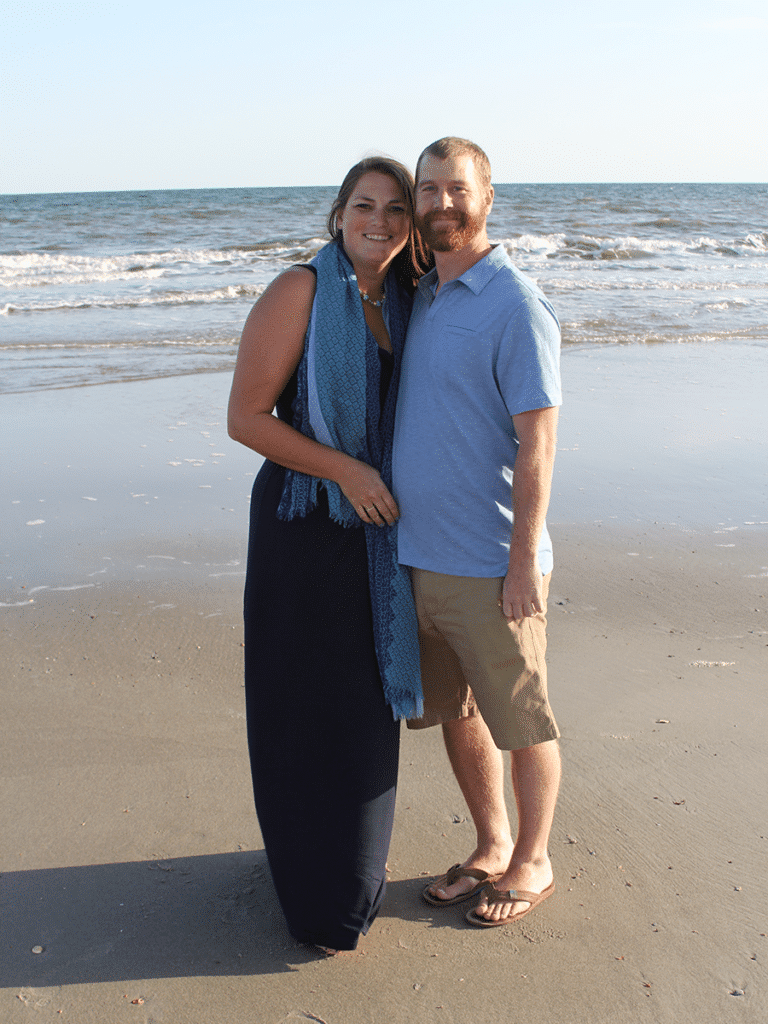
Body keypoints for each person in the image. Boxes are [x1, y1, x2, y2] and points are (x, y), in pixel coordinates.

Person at [227, 157, 426, 952]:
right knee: (300, 703)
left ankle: (347, 869)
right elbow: (246, 417)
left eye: (395, 209)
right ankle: (310, 884)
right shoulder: (301, 290)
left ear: (410, 224)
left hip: (377, 537)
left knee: (362, 706)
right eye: (363, 206)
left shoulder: (411, 299)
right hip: (304, 526)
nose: (378, 221)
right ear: (338, 214)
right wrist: (345, 468)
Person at [393, 138, 562, 928]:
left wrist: (523, 560)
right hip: (418, 558)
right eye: (427, 190)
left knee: (520, 719)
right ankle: (492, 844)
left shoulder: (515, 302)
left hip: (492, 562)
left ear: (487, 197)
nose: (439, 203)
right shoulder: (423, 294)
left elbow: (539, 442)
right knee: (457, 713)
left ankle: (535, 859)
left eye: (455, 189)